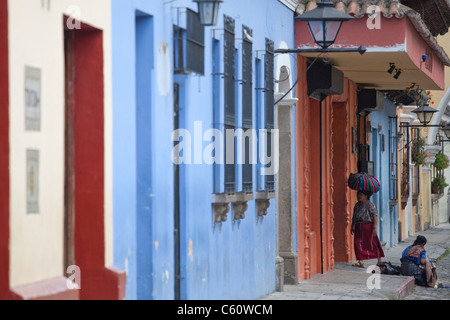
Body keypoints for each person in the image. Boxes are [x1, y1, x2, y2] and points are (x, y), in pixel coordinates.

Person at [351, 190, 385, 268]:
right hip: (358, 227)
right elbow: (354, 216)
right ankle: (360, 261)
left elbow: (375, 216)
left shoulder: (370, 205)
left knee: (373, 243)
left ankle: (379, 260)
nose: (359, 196)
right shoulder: (357, 205)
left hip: (368, 226)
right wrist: (352, 225)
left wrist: (374, 227)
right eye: (358, 194)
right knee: (357, 243)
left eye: (361, 194)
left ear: (366, 196)